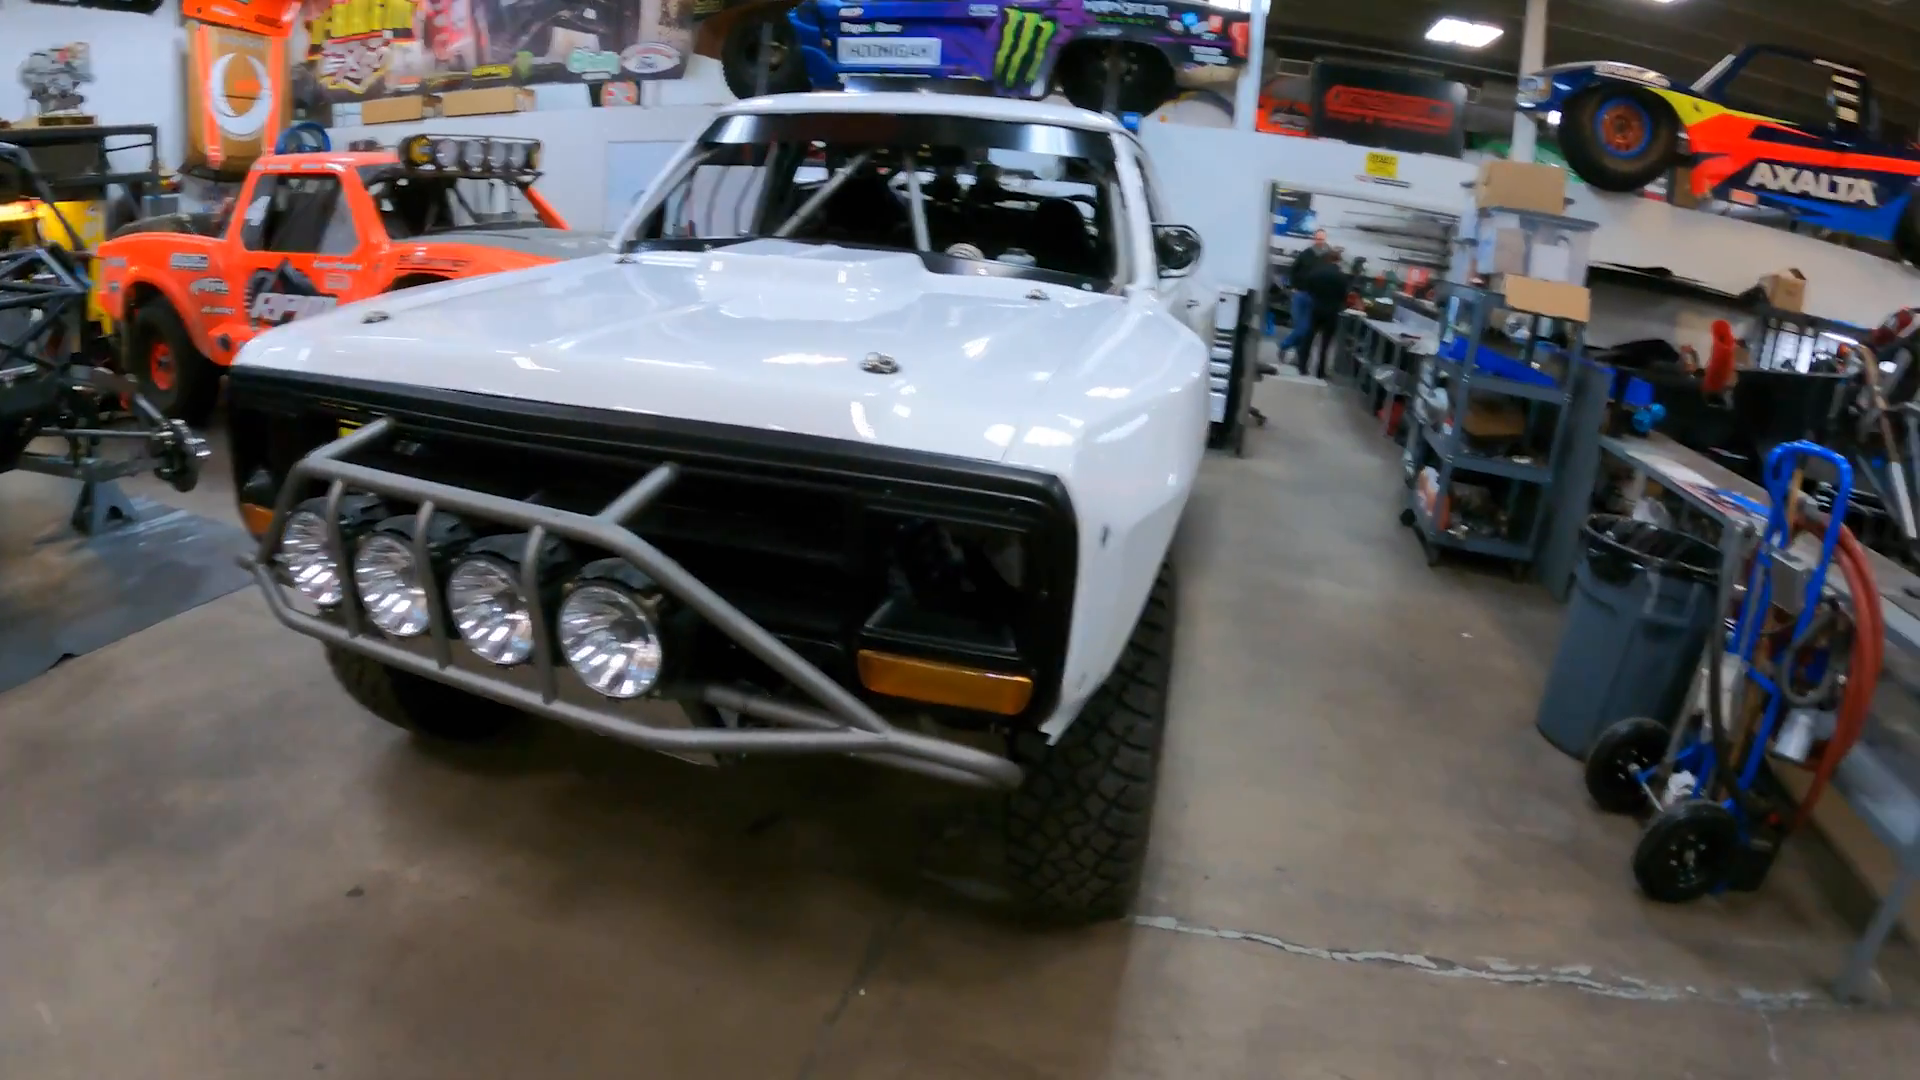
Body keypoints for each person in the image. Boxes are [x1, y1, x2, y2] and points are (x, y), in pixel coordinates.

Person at [1296, 248, 1352, 379]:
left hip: (1316, 308)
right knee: (1325, 343)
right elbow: (1344, 295)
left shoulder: (1316, 273)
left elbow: (1308, 287)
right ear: (1337, 261)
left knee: (1308, 338)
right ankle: (1320, 372)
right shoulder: (1341, 277)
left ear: (1327, 259)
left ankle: (1302, 367)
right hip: (1332, 311)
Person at [1278, 230, 1331, 368]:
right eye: (1317, 239)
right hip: (1300, 293)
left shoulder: (1327, 257)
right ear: (1314, 239)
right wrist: (1293, 285)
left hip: (1315, 296)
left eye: (1322, 239)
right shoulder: (1306, 254)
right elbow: (1293, 270)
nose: (1319, 241)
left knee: (1306, 328)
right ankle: (1291, 350)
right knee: (1301, 326)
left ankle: (1288, 348)